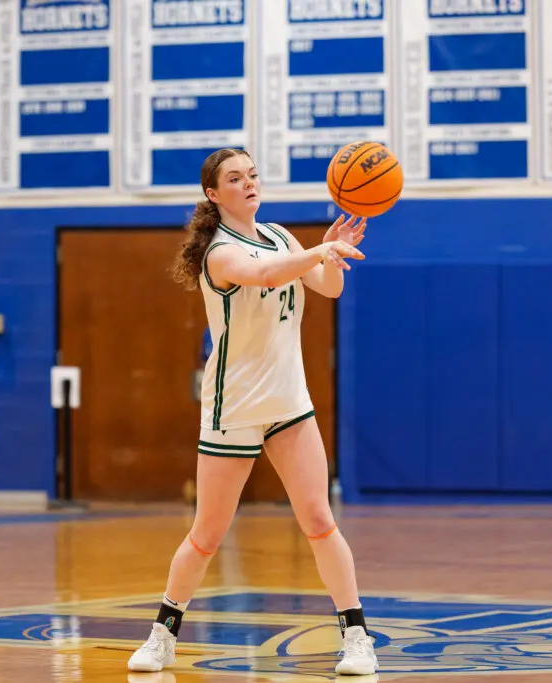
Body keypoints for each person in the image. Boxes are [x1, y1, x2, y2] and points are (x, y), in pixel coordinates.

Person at [127, 148, 377, 676]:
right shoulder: (219, 252)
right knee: (206, 535)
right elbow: (262, 275)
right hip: (234, 406)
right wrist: (319, 249)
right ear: (213, 194)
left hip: (289, 403)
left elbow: (329, 288)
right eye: (235, 178)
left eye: (253, 175)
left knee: (319, 521)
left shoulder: (282, 237)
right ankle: (162, 635)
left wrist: (330, 257)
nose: (249, 183)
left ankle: (356, 638)